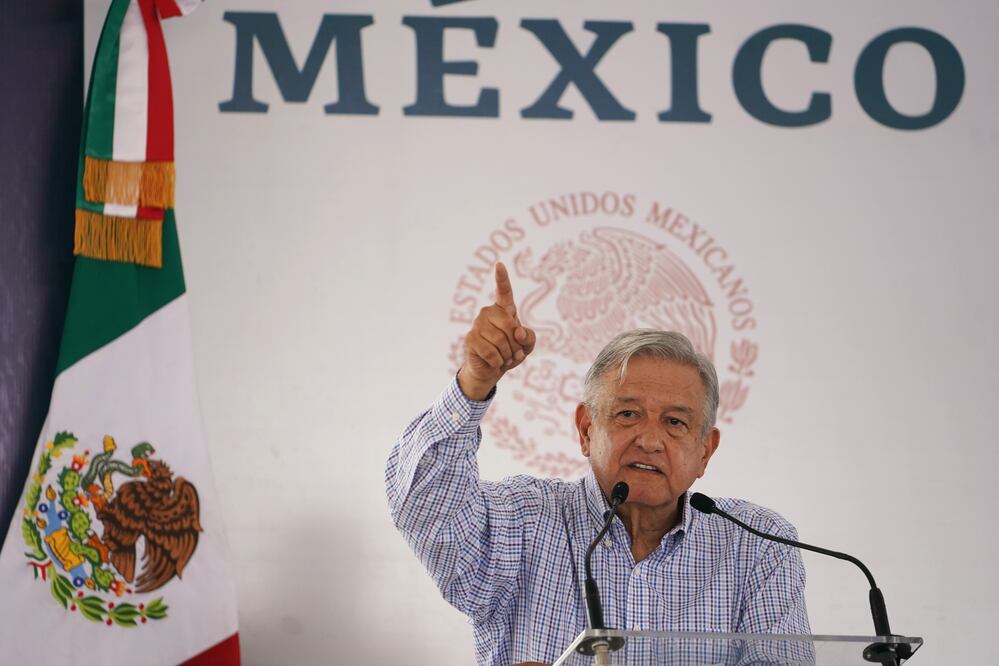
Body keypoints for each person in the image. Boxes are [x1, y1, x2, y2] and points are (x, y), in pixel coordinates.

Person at [386, 263, 809, 666]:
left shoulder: (759, 546)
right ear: (586, 430)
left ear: (705, 451)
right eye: (628, 414)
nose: (650, 440)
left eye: (675, 422)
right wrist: (475, 382)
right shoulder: (524, 521)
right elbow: (425, 508)